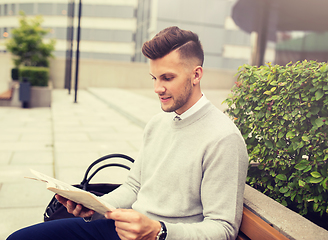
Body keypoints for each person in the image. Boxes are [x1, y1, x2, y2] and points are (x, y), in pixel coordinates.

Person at [7, 26, 248, 240]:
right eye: (154, 77)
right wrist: (96, 206)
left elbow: (223, 229)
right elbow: (134, 186)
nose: (157, 88)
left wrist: (159, 232)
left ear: (196, 74)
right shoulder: (158, 123)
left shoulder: (223, 139)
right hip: (121, 229)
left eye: (167, 78)